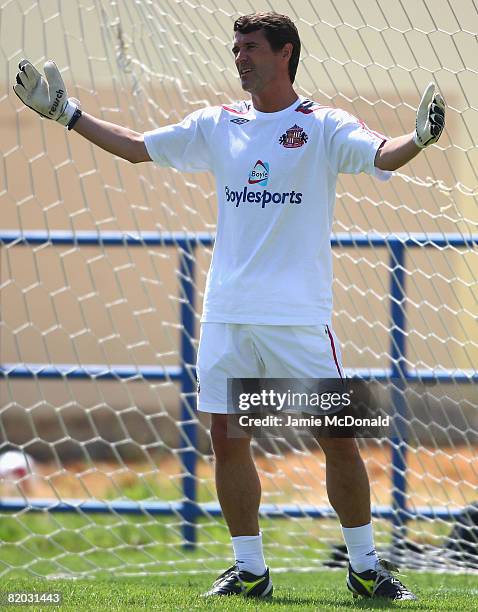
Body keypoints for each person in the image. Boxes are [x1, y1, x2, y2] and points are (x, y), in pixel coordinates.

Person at [13, 11, 445, 601]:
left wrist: (419, 138)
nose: (239, 56)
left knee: (339, 438)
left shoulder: (322, 126)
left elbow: (382, 155)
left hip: (298, 317)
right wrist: (67, 115)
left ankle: (366, 567)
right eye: (235, 47)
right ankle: (250, 570)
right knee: (227, 437)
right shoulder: (218, 124)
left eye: (251, 47)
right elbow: (140, 149)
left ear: (286, 52)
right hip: (227, 314)